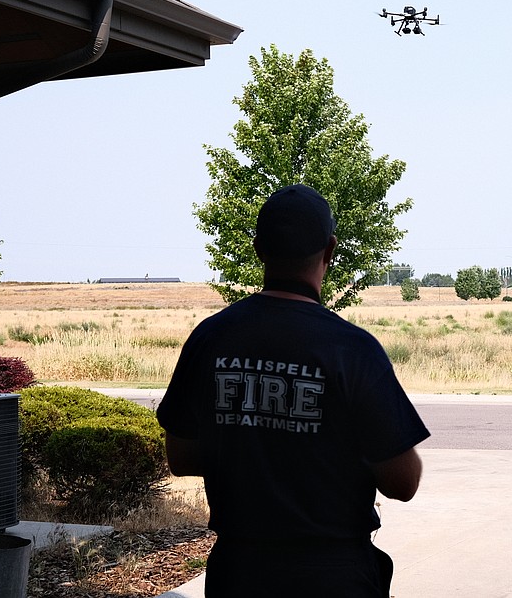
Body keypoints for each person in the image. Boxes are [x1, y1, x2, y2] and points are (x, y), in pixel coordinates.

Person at [157, 184, 430, 597]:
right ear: (330, 251)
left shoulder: (210, 339)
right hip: (334, 574)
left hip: (239, 571)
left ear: (258, 249)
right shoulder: (352, 350)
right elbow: (403, 482)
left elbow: (180, 457)